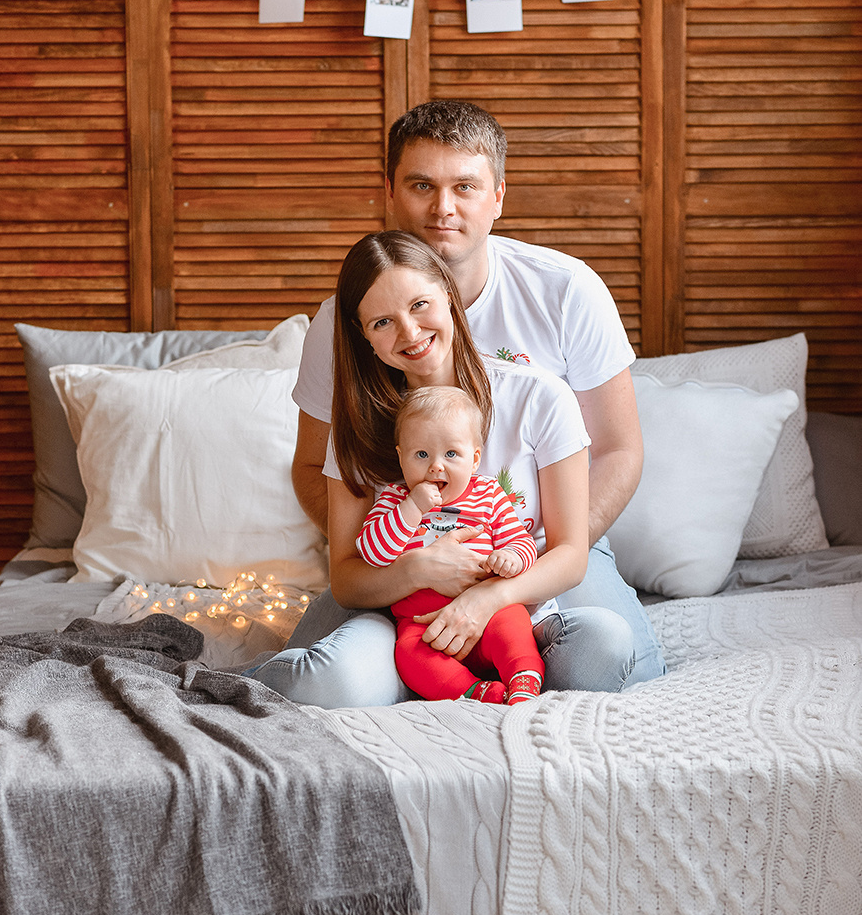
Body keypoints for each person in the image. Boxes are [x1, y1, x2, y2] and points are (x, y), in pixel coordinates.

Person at [282, 99, 665, 703]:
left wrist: (517, 566)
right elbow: (314, 468)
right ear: (390, 192)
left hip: (542, 536)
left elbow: (619, 451)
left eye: (465, 186)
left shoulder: (565, 291)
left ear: (498, 196)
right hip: (404, 547)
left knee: (626, 672)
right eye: (421, 186)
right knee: (310, 683)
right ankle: (426, 670)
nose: (443, 208)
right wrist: (399, 561)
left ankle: (488, 665)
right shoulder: (344, 323)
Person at [245, 231, 646, 708]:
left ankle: (492, 680)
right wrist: (418, 571)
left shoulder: (538, 397)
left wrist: (485, 600)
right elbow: (348, 580)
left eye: (419, 305)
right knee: (331, 683)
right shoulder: (358, 423)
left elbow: (571, 555)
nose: (409, 333)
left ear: (449, 298)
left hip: (511, 612)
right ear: (364, 337)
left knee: (607, 644)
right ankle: (416, 678)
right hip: (402, 622)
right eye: (382, 322)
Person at [358, 384, 544, 705]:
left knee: (513, 621)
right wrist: (412, 508)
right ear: (401, 457)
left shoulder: (487, 495)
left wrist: (511, 557)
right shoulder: (395, 499)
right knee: (407, 654)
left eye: (451, 454)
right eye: (421, 455)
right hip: (423, 627)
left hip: (487, 614)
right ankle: (476, 692)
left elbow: (522, 541)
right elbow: (373, 552)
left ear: (474, 460)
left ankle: (523, 676)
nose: (436, 466)